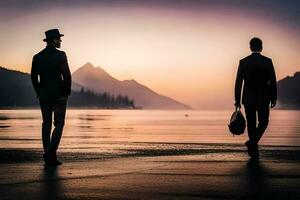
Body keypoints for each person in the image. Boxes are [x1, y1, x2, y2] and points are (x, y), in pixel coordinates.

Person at [31, 29, 71, 165]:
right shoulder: (61, 55)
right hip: (59, 95)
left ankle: (48, 155)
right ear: (53, 40)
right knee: (59, 124)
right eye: (59, 39)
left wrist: (38, 92)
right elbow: (67, 76)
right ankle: (50, 154)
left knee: (46, 124)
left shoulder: (37, 57)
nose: (60, 41)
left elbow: (33, 77)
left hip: (44, 95)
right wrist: (66, 93)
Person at [234, 37, 277, 159]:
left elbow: (238, 82)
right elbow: (272, 81)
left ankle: (253, 147)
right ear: (261, 47)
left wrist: (237, 100)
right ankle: (253, 146)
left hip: (248, 98)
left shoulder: (244, 62)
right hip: (264, 98)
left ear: (250, 47)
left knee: (251, 124)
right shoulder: (267, 61)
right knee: (264, 122)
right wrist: (274, 98)